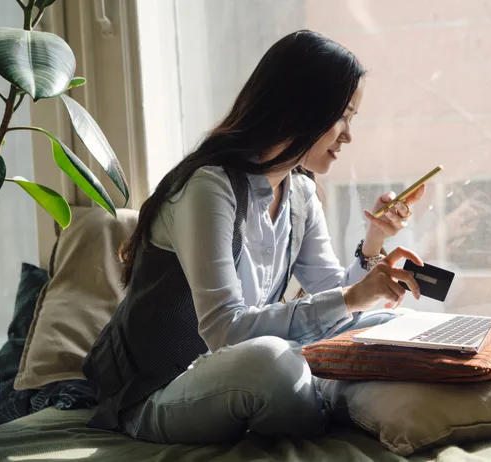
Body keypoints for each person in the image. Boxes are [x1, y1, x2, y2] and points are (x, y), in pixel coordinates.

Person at [82, 30, 427, 445]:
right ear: (301, 108)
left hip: (246, 371)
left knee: (396, 323)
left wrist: (372, 245)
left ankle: (334, 394)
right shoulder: (209, 187)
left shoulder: (299, 192)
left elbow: (333, 296)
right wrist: (352, 299)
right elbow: (225, 331)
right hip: (162, 389)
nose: (348, 135)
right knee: (271, 364)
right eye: (343, 116)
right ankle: (337, 398)